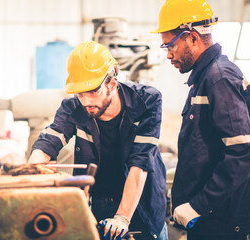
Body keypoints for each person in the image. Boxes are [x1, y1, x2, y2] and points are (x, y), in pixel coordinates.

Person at [28, 41, 168, 240]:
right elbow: (48, 141)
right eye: (80, 93)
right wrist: (30, 172)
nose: (86, 101)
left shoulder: (146, 101)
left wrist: (122, 217)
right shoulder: (74, 107)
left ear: (111, 84)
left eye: (93, 91)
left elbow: (140, 162)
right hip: (101, 201)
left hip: (142, 202)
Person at [152, 0, 250, 239]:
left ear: (192, 37)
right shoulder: (205, 78)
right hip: (210, 222)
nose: (168, 54)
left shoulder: (218, 78)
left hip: (222, 224)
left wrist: (198, 205)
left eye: (171, 45)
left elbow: (243, 152)